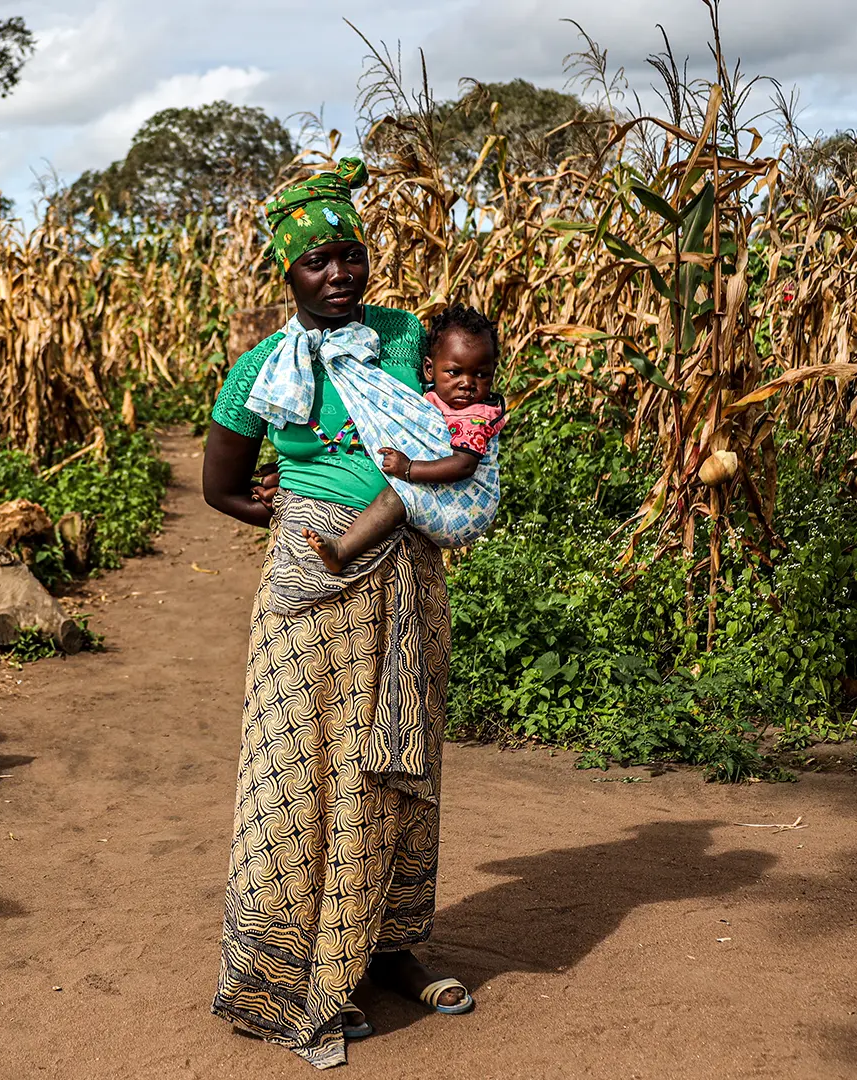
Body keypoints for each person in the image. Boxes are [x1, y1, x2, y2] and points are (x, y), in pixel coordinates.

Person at [202, 158, 497, 1069]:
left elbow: (469, 402)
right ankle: (296, 970)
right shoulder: (260, 366)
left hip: (404, 574)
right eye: (316, 262)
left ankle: (391, 950)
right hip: (308, 587)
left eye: (350, 257)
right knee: (300, 770)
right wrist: (301, 518)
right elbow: (221, 486)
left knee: (395, 768)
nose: (338, 275)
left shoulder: (405, 336)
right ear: (286, 273)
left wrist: (432, 493)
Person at [303, 304, 507, 573]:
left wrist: (409, 469)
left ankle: (342, 550)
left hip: (465, 509)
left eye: (481, 375)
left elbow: (464, 465)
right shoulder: (426, 399)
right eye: (455, 372)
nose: (467, 383)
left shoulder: (475, 418)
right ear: (429, 369)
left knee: (395, 499)